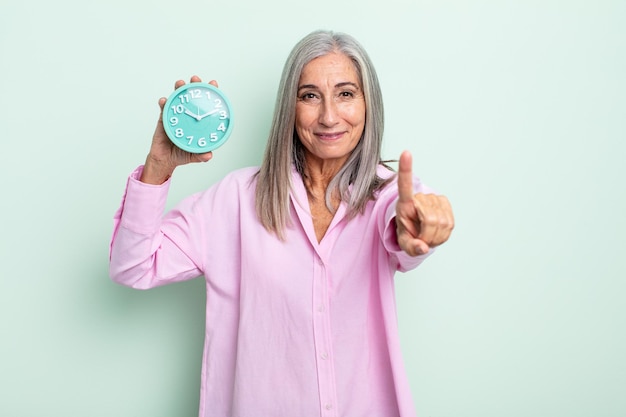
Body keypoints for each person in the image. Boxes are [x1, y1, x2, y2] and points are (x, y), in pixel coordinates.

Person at [109, 29, 454, 417]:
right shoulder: (234, 200)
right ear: (289, 107)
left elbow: (409, 222)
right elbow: (132, 266)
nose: (328, 116)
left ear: (367, 104)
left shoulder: (389, 196)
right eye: (309, 95)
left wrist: (420, 227)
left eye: (345, 93)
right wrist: (158, 166)